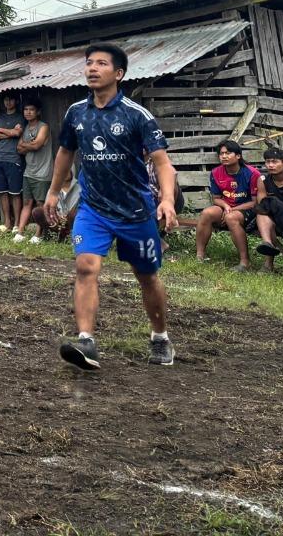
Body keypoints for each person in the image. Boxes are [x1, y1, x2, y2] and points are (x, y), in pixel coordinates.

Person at [44, 43, 177, 371]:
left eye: (101, 64)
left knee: (146, 277)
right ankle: (86, 340)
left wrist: (168, 200)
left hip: (135, 212)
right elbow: (65, 152)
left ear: (118, 74)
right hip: (93, 209)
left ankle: (160, 337)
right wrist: (53, 192)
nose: (92, 68)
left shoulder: (137, 115)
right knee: (86, 267)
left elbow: (163, 163)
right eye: (89, 63)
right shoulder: (76, 113)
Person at [194, 139, 260, 269]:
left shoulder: (252, 173)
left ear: (238, 156)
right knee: (207, 213)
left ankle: (244, 261)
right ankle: (199, 255)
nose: (224, 156)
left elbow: (255, 202)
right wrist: (226, 206)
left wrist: (233, 209)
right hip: (227, 207)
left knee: (231, 217)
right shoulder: (216, 173)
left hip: (247, 210)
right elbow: (216, 198)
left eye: (228, 153)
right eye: (221, 153)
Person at [13, 100, 52, 243]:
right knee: (27, 203)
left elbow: (38, 145)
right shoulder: (26, 128)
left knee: (40, 204)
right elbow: (19, 148)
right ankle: (20, 232)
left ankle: (38, 235)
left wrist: (27, 145)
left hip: (43, 172)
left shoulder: (44, 127)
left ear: (38, 112)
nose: (28, 112)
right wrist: (31, 144)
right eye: (26, 109)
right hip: (28, 172)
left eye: (31, 109)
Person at [0, 93, 24, 233]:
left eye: (11, 99)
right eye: (6, 99)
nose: (8, 102)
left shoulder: (20, 117)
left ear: (16, 101)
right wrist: (9, 132)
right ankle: (7, 222)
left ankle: (17, 224)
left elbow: (17, 133)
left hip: (13, 158)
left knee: (15, 192)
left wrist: (2, 131)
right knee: (2, 191)